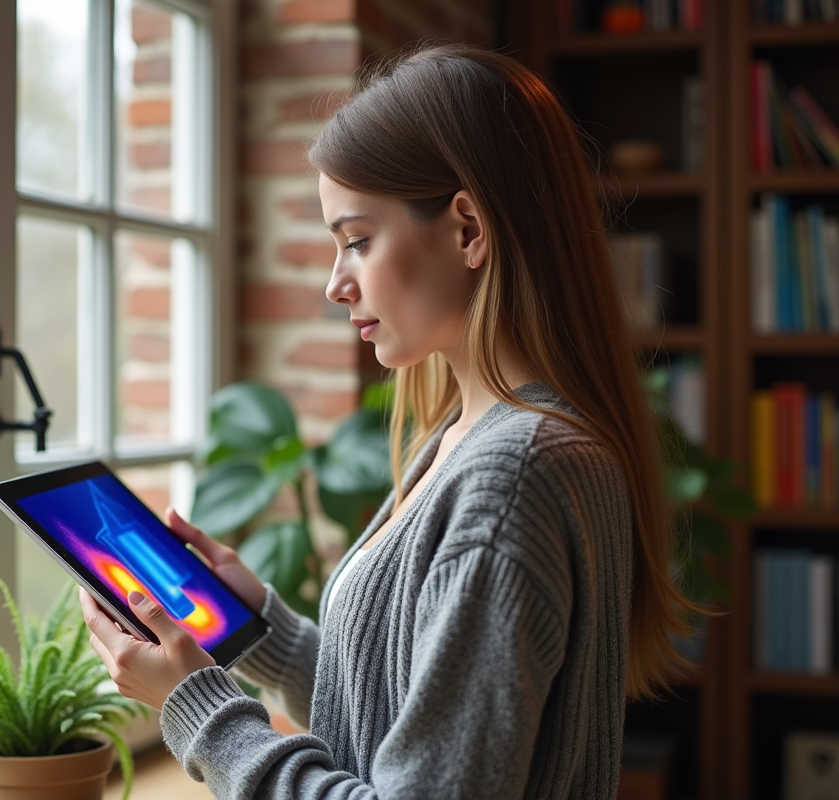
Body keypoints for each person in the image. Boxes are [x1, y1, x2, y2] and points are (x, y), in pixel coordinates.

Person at [80, 44, 700, 799]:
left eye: (358, 240)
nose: (337, 284)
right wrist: (262, 632)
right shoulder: (483, 437)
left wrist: (197, 708)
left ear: (468, 230)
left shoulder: (513, 476)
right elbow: (410, 722)